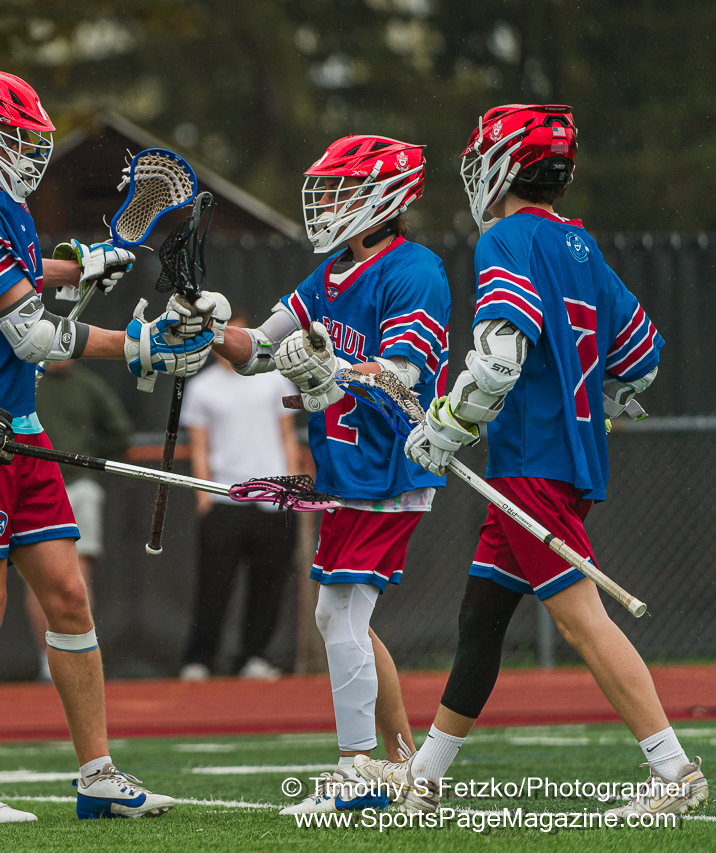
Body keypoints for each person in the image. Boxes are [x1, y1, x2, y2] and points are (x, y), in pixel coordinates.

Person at [358, 104, 707, 819]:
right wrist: (583, 402)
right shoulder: (581, 244)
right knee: (482, 616)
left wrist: (445, 426)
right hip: (568, 457)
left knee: (581, 619)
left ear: (502, 165)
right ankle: (426, 776)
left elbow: (498, 360)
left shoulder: (506, 239)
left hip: (530, 462)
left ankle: (673, 770)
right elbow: (641, 359)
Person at [0, 66, 216, 823]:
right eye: (11, 136)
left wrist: (73, 267)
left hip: (16, 423)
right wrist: (138, 345)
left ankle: (98, 775)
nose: (25, 150)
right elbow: (33, 335)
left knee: (70, 597)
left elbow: (10, 279)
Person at [205, 135, 449, 815]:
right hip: (347, 473)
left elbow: (400, 375)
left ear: (383, 199)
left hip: (388, 466)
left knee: (338, 612)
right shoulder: (330, 274)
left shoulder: (415, 270)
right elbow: (259, 351)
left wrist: (329, 369)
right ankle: (399, 766)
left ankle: (358, 771)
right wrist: (207, 330)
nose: (329, 204)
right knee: (345, 616)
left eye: (343, 191)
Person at [177, 310, 301, 681]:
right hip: (224, 500)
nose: (231, 344)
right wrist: (205, 496)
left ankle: (254, 657)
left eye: (238, 337)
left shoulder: (276, 380)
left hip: (274, 501)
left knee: (269, 585)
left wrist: (291, 489)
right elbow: (199, 447)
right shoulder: (201, 388)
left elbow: (287, 436)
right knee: (213, 587)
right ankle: (199, 660)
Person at [28, 358, 133, 681]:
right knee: (36, 575)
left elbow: (120, 434)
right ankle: (47, 661)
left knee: (77, 576)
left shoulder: (89, 386)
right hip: (32, 488)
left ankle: (78, 655)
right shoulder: (25, 383)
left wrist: (87, 452)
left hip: (79, 487)